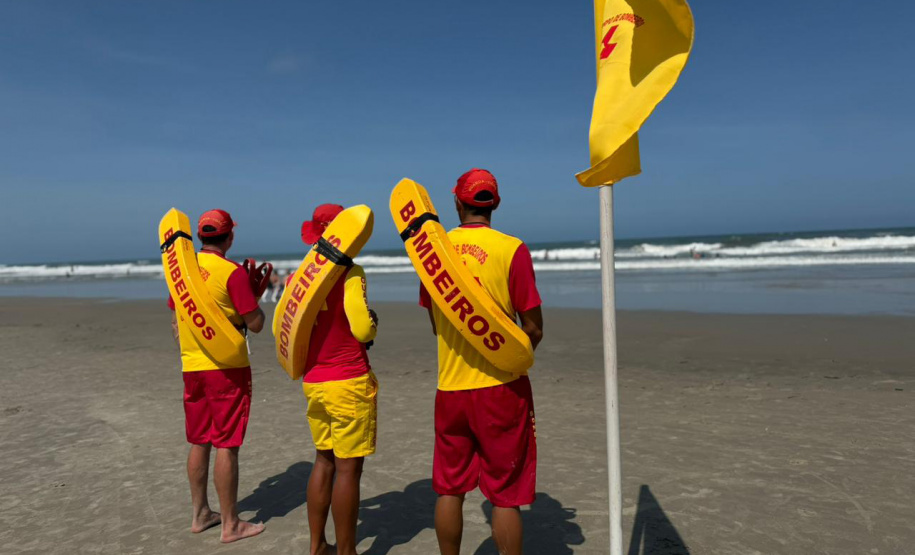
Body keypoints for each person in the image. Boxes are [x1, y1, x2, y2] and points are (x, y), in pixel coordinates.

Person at [419, 169, 544, 555]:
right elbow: (533, 329)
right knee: (505, 495)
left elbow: (436, 322)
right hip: (502, 389)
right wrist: (504, 352)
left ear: (457, 202)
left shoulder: (434, 254)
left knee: (450, 488)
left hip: (451, 388)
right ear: (496, 203)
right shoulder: (512, 249)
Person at [168, 209, 267, 543]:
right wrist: (255, 297)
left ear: (200, 236)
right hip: (227, 368)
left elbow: (175, 320)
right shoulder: (232, 273)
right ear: (230, 236)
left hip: (191, 366)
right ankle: (230, 524)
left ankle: (199, 514)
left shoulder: (183, 271)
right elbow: (255, 323)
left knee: (200, 440)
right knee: (227, 443)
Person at [295, 204, 380, 555]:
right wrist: (373, 324)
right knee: (348, 471)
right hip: (347, 379)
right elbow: (361, 327)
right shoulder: (350, 272)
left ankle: (318, 547)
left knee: (323, 460)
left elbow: (280, 329)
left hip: (314, 379)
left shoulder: (299, 277)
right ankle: (347, 552)